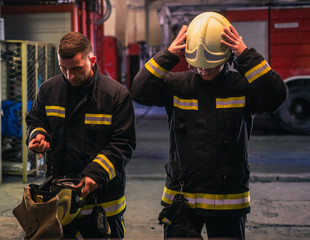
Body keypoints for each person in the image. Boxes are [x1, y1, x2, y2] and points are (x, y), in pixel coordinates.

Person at [131, 12, 287, 240]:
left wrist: (245, 55)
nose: (203, 70)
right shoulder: (177, 85)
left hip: (228, 199)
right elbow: (139, 91)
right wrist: (167, 55)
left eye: (209, 66)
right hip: (182, 197)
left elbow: (277, 96)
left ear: (225, 57)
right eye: (198, 66)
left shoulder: (241, 87)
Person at [26, 32, 136, 239]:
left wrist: (95, 173)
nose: (70, 76)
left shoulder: (116, 96)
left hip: (103, 203)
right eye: (63, 69)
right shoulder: (49, 90)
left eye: (76, 69)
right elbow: (35, 121)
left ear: (92, 61)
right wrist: (38, 136)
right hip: (59, 199)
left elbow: (123, 144)